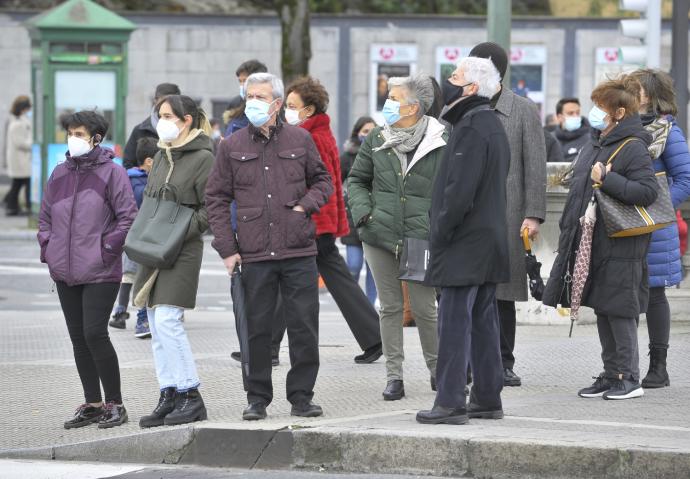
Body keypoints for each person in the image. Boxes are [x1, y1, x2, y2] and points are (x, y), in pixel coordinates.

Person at [206, 72, 333, 421]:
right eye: (249, 97)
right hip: (254, 253)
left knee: (304, 327)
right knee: (257, 329)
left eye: (260, 97)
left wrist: (304, 206)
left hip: (298, 249)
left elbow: (324, 181)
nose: (253, 103)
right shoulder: (231, 146)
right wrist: (227, 248)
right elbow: (215, 198)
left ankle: (302, 396)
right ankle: (257, 397)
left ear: (277, 103)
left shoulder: (299, 139)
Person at [543, 75, 658, 400]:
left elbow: (647, 191)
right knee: (604, 307)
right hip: (595, 238)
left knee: (620, 308)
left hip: (621, 241)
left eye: (600, 107)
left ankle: (629, 377)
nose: (594, 113)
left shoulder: (633, 146)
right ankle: (611, 374)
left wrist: (608, 179)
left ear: (618, 113)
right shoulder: (600, 142)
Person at [417, 56, 510, 425]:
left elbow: (459, 192)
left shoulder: (471, 127)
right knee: (483, 321)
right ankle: (487, 397)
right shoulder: (488, 124)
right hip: (485, 239)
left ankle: (451, 400)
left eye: (454, 77)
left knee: (454, 322)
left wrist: (439, 231)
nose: (447, 82)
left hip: (464, 240)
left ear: (471, 88)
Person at [348, 73, 447, 401]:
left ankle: (438, 372)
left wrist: (436, 224)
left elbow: (452, 187)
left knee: (424, 307)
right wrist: (365, 214)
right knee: (389, 307)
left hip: (420, 237)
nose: (387, 104)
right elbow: (357, 180)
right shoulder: (377, 137)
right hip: (378, 234)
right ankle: (394, 377)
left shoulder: (441, 138)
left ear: (414, 106)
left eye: (394, 98)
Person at [37, 110, 137, 428]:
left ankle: (115, 404)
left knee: (95, 333)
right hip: (65, 270)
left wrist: (106, 249)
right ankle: (92, 403)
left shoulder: (113, 173)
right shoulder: (59, 174)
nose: (73, 139)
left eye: (80, 133)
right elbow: (45, 218)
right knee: (78, 337)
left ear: (97, 138)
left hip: (100, 269)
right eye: (70, 132)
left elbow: (127, 217)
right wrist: (48, 249)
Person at [273, 76, 382, 364]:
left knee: (291, 280)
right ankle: (375, 337)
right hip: (319, 222)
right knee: (336, 280)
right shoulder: (318, 133)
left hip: (312, 221)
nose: (287, 110)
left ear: (308, 109)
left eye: (292, 105)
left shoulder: (309, 136)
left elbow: (315, 184)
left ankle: (266, 348)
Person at [133, 95, 214, 427]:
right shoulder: (161, 154)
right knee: (154, 320)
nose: (161, 121)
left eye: (168, 115)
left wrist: (183, 228)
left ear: (187, 121)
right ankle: (169, 392)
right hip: (153, 245)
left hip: (182, 247)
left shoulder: (204, 157)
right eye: (160, 115)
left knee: (168, 319)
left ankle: (190, 394)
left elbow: (211, 208)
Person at [469, 42, 547, 387]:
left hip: (508, 212)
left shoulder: (522, 110)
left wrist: (533, 214)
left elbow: (536, 165)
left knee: (502, 291)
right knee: (468, 291)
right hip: (469, 215)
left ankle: (504, 361)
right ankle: (470, 362)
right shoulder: (463, 106)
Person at [628, 68, 690, 388]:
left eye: (634, 88)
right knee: (621, 294)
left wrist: (656, 209)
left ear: (648, 95)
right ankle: (623, 365)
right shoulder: (623, 126)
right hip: (625, 223)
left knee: (654, 294)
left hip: (654, 225)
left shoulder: (668, 131)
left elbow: (686, 179)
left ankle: (658, 366)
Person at [109, 137, 157, 339]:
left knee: (128, 275)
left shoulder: (126, 178)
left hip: (129, 236)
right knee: (144, 278)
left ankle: (120, 311)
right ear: (149, 162)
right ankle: (142, 320)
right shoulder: (144, 182)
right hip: (143, 236)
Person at [340, 116, 377, 304]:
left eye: (372, 131)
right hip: (353, 218)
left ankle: (370, 306)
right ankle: (352, 300)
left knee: (373, 267)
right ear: (357, 133)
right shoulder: (347, 157)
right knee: (353, 265)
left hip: (376, 218)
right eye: (364, 131)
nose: (368, 135)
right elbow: (334, 183)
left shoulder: (382, 154)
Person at [122, 83, 180, 169]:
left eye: (173, 103)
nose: (168, 106)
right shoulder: (140, 130)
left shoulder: (186, 131)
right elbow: (128, 165)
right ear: (155, 101)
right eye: (164, 102)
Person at [224, 59, 268, 137]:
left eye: (245, 80)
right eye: (240, 81)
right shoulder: (235, 104)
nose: (242, 85)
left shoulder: (273, 107)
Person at [5, 95, 32, 216]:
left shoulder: (18, 120)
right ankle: (15, 207)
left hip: (21, 159)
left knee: (18, 184)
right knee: (21, 183)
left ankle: (12, 206)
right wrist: (33, 144)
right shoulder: (17, 124)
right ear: (23, 108)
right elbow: (20, 142)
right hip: (20, 159)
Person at [552, 97, 591, 162]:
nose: (575, 116)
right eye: (570, 113)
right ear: (559, 117)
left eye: (577, 113)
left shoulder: (590, 139)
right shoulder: (551, 139)